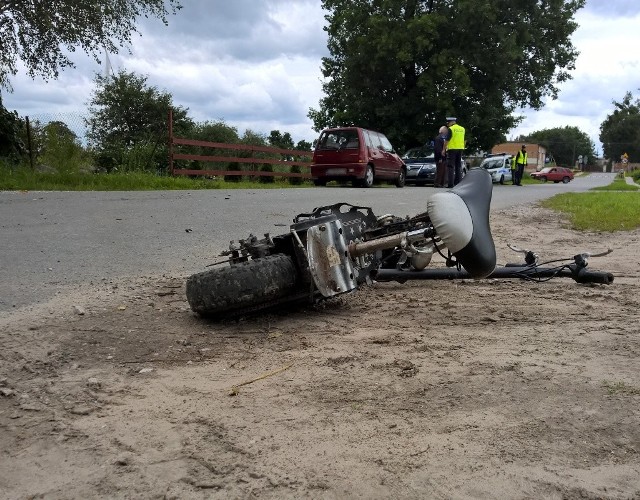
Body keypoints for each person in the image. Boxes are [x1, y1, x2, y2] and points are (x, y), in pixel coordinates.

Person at [443, 116, 465, 188]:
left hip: (452, 149)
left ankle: (450, 184)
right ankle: (458, 183)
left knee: (451, 166)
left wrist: (443, 149)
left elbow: (447, 140)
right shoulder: (462, 129)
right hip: (460, 149)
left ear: (452, 122)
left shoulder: (451, 129)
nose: (447, 124)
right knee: (458, 166)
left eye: (448, 122)